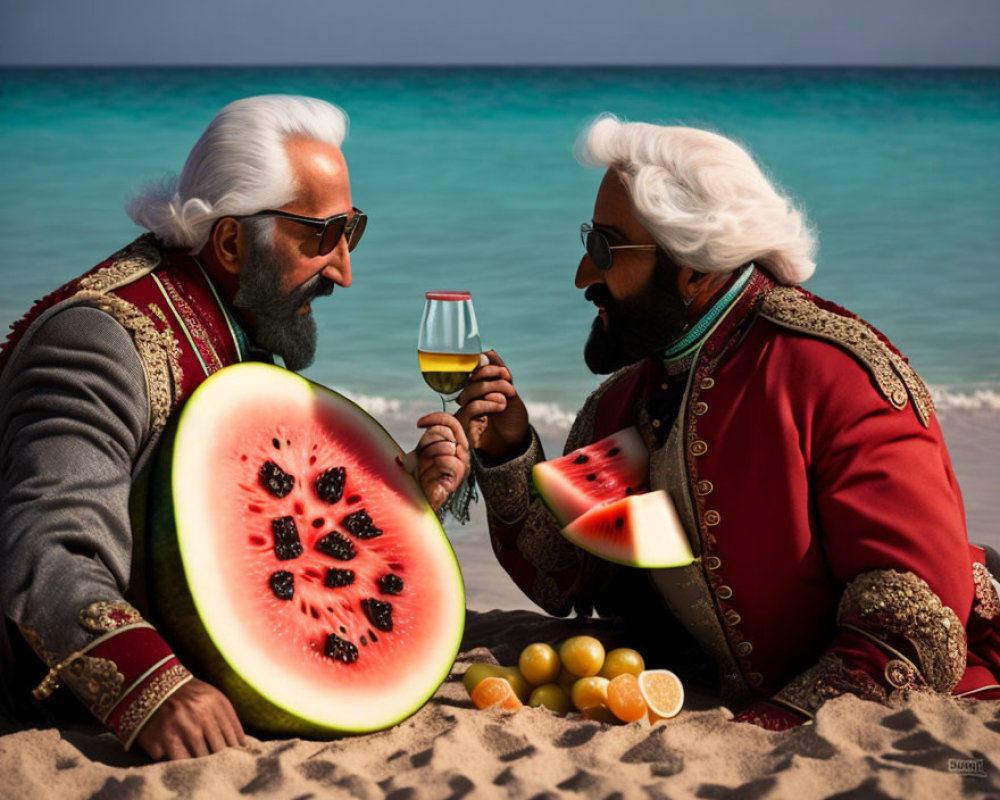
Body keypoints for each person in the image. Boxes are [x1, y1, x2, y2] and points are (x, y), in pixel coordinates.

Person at [456, 116, 1000, 728]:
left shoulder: (836, 376)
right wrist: (509, 450)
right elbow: (564, 573)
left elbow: (910, 626)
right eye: (589, 241)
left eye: (606, 248)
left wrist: (768, 726)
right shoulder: (626, 400)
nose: (584, 275)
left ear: (693, 268)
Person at [0, 94, 468, 759]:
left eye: (351, 230)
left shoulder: (234, 316)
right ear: (229, 240)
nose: (345, 270)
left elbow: (260, 512)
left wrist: (395, 500)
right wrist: (150, 686)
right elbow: (45, 556)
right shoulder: (99, 340)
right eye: (321, 237)